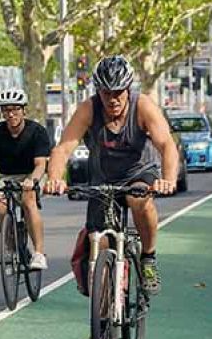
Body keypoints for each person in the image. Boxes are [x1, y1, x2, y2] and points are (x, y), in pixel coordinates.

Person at [45, 56, 179, 303]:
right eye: (107, 93)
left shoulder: (143, 106)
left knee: (140, 201)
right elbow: (63, 149)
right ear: (99, 91)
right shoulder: (88, 110)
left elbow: (166, 144)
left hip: (139, 173)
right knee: (101, 243)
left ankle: (148, 257)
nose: (113, 99)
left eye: (118, 92)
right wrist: (54, 178)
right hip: (103, 180)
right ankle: (103, 322)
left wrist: (168, 179)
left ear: (128, 89)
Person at [0, 89, 50, 270]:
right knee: (1, 207)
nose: (11, 114)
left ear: (24, 110)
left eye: (16, 109)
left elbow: (40, 164)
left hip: (31, 174)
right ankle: (12, 249)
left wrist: (32, 180)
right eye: (6, 110)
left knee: (28, 200)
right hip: (7, 176)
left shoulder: (37, 132)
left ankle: (39, 254)